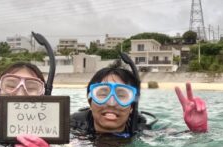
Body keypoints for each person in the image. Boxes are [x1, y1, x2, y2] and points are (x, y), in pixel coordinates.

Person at [70, 56, 208, 138]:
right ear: (90, 100)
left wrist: (198, 131)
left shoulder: (141, 131)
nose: (111, 103)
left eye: (122, 95)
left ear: (132, 105)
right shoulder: (72, 127)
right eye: (103, 94)